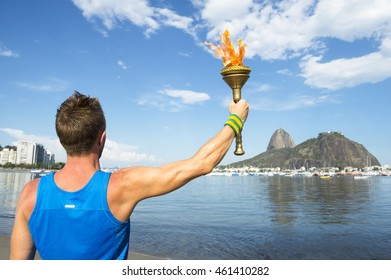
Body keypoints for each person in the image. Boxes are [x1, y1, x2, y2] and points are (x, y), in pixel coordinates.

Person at [10, 91, 249, 260]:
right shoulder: (121, 186)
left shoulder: (30, 194)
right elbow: (201, 164)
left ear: (62, 140)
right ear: (102, 138)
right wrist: (236, 118)